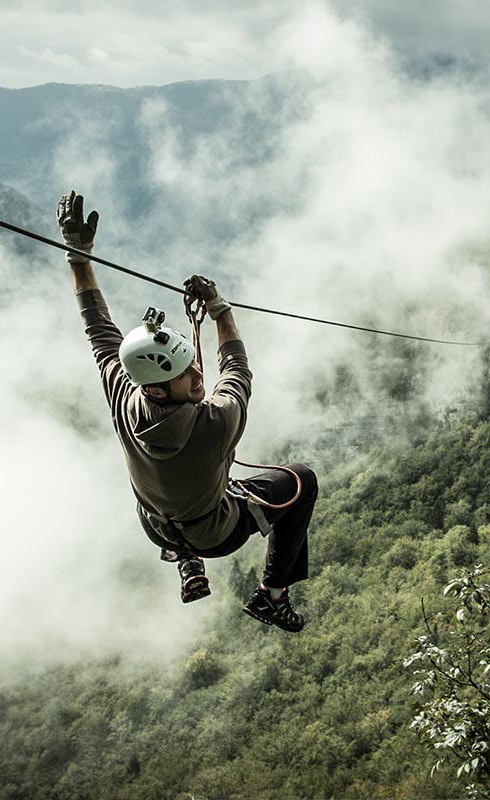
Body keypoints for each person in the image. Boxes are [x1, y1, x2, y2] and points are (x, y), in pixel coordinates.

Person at [59, 190, 318, 632]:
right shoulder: (212, 425)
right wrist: (220, 311)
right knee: (302, 480)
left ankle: (184, 561)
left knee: (179, 490)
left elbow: (99, 328)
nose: (198, 374)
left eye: (192, 363)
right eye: (185, 374)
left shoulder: (125, 393)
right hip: (212, 533)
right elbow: (236, 369)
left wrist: (78, 256)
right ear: (158, 387)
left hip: (157, 526)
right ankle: (272, 596)